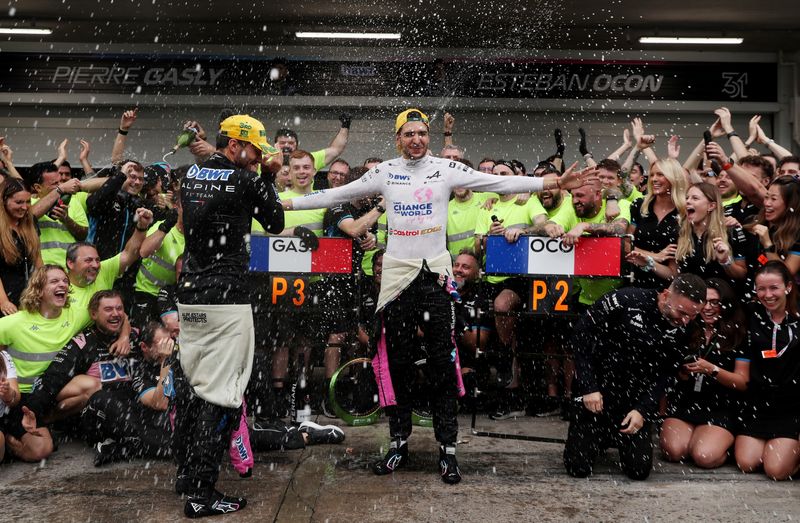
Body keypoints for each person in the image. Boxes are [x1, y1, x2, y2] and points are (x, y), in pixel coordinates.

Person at [282, 107, 595, 484]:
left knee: (443, 365)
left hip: (434, 278)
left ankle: (447, 448)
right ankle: (398, 442)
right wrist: (288, 204)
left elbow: (497, 184)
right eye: (409, 134)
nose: (417, 139)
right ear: (398, 139)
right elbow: (338, 193)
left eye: (422, 133)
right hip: (397, 280)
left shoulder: (446, 170)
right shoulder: (384, 172)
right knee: (397, 363)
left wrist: (551, 184)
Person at [175, 113, 284, 517]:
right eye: (255, 151)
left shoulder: (190, 175)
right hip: (226, 298)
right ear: (235, 145)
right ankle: (201, 493)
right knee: (221, 398)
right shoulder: (246, 179)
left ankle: (186, 475)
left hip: (191, 297)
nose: (258, 160)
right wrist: (268, 179)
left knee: (192, 388)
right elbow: (275, 222)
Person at [563, 274, 706, 480]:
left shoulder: (686, 328)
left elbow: (667, 374)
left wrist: (643, 409)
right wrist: (588, 386)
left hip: (633, 399)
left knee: (639, 471)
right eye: (681, 312)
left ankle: (613, 436)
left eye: (692, 316)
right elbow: (580, 335)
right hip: (596, 392)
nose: (684, 320)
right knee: (578, 468)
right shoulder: (624, 300)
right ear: (666, 295)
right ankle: (597, 437)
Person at [660, 278, 748, 468]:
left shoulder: (737, 334)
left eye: (715, 302)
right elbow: (668, 370)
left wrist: (712, 370)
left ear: (726, 304)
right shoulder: (685, 326)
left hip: (719, 406)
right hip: (686, 402)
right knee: (673, 451)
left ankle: (722, 445)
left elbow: (742, 382)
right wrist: (681, 373)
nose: (708, 308)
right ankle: (699, 439)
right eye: (704, 302)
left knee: (704, 456)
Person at [0, 265, 82, 461]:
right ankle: (8, 438)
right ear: (38, 289)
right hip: (16, 397)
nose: (62, 284)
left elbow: (106, 312)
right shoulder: (15, 322)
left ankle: (45, 421)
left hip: (46, 393)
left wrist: (123, 336)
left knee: (91, 385)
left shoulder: (76, 314)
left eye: (64, 281)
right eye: (54, 281)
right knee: (41, 450)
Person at [734, 261, 800, 480]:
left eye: (774, 288)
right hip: (758, 405)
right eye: (761, 288)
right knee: (746, 463)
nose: (767, 294)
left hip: (790, 407)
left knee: (776, 471)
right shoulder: (751, 313)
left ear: (788, 287)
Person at [0, 178, 41, 315]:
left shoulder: (31, 221)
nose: (25, 207)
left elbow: (39, 263)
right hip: (4, 295)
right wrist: (3, 301)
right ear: (3, 201)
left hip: (27, 296)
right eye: (19, 202)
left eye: (28, 202)